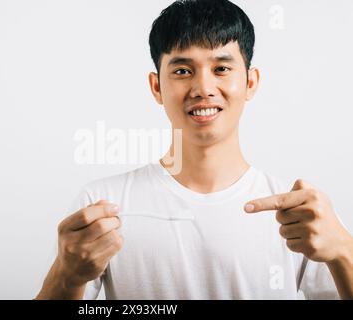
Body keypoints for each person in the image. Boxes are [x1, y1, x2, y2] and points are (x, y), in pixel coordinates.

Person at [36, 0, 353, 299]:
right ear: (156, 87)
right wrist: (67, 276)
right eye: (183, 71)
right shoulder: (102, 207)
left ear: (251, 83)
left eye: (222, 69)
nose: (203, 88)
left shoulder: (301, 213)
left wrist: (343, 250)